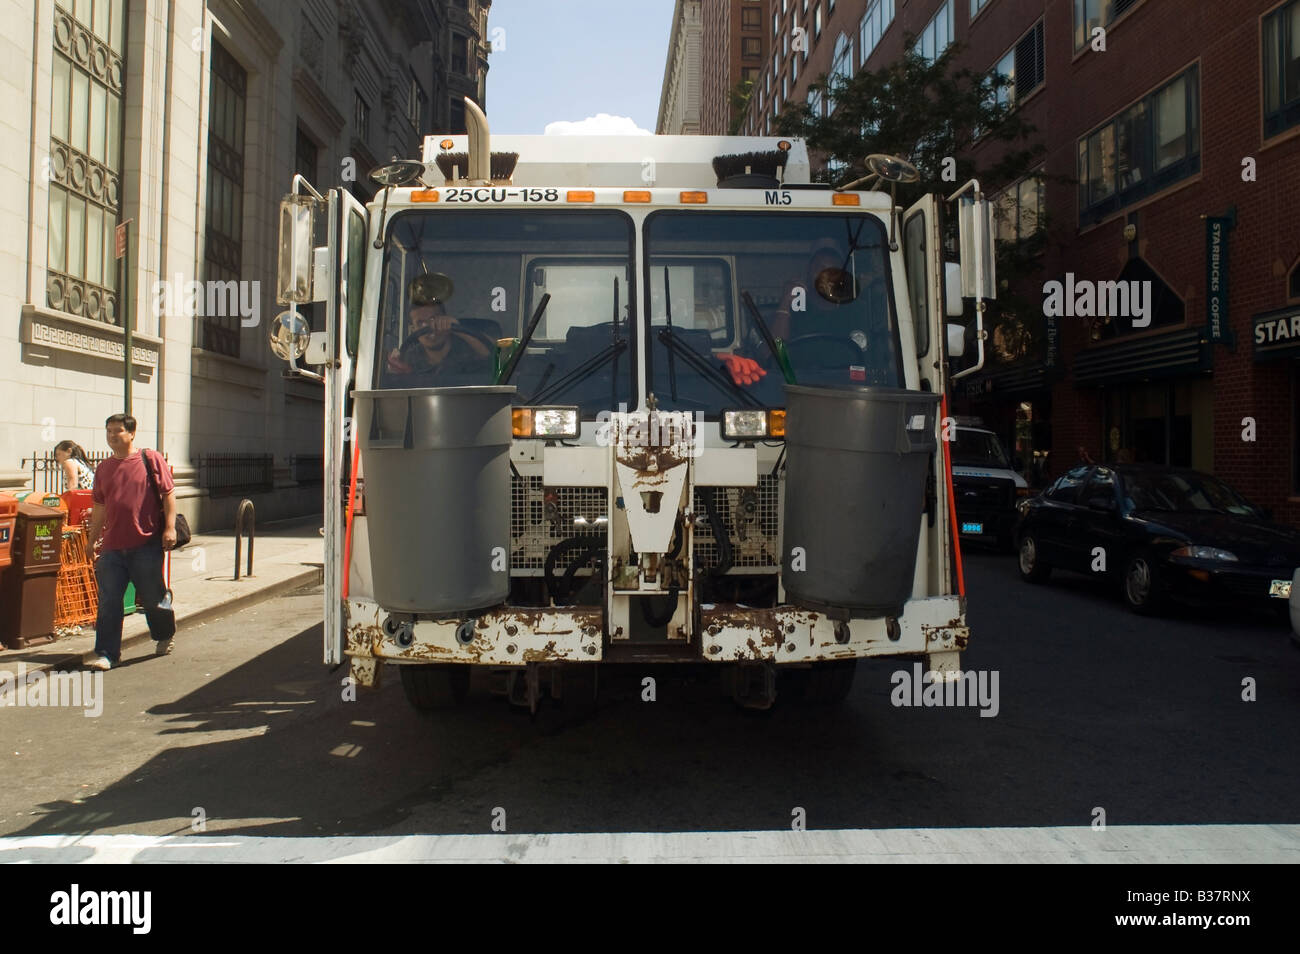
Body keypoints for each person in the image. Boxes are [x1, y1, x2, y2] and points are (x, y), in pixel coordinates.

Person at [84, 413, 177, 669]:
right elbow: (99, 507)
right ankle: (107, 653)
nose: (112, 436)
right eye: (109, 431)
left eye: (118, 431)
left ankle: (163, 634)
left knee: (152, 598)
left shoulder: (150, 459)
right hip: (112, 547)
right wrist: (92, 541)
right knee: (109, 601)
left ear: (132, 433)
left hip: (145, 543)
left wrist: (169, 528)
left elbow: (168, 495)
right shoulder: (103, 468)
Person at [384, 299, 493, 386]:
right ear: (413, 329)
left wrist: (457, 326)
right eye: (421, 323)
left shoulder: (468, 347)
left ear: (445, 319)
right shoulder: (410, 356)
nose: (429, 328)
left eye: (433, 320)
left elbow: (496, 355)